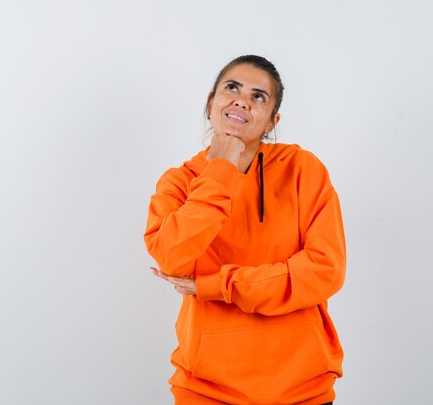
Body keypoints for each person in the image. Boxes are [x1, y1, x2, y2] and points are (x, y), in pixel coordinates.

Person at [144, 55, 346, 405]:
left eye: (258, 96)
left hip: (302, 389)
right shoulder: (179, 182)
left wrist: (215, 285)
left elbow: (324, 271)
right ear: (211, 104)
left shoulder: (303, 170)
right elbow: (172, 257)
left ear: (271, 122)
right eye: (232, 88)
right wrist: (221, 169)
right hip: (205, 390)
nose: (242, 99)